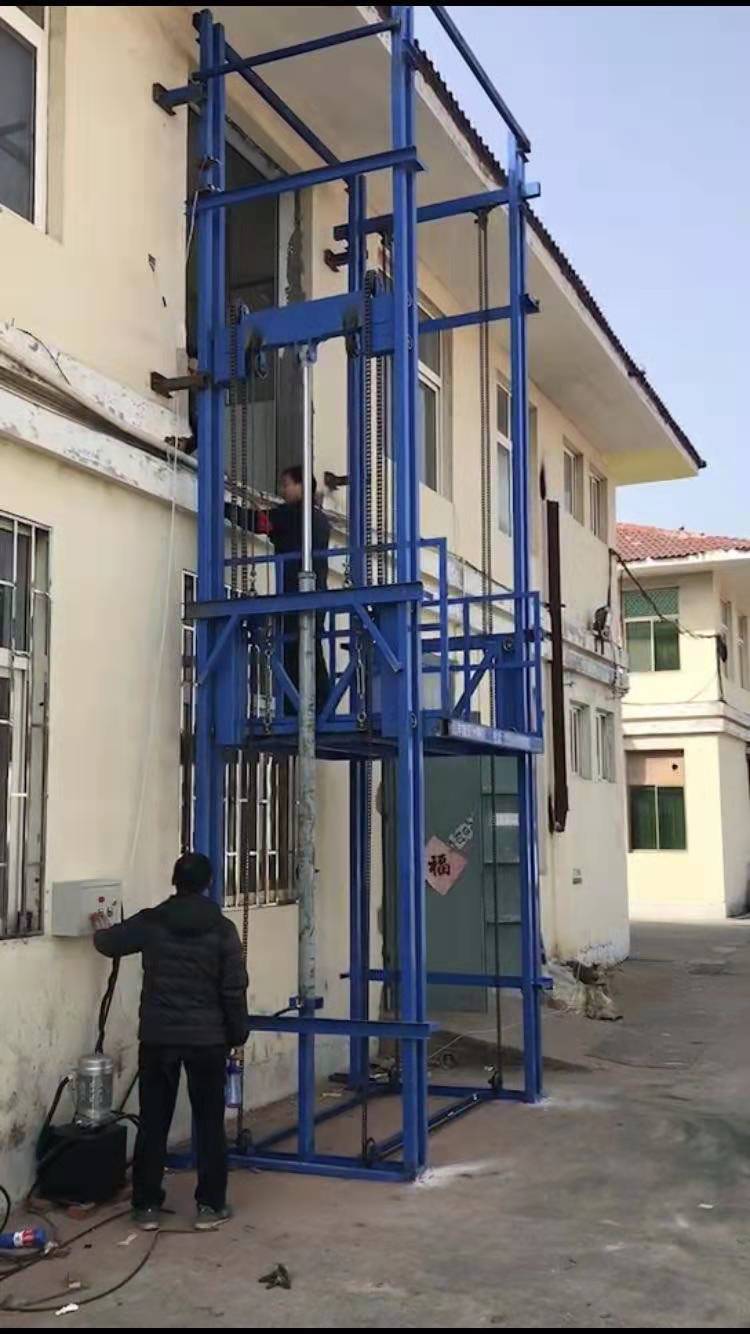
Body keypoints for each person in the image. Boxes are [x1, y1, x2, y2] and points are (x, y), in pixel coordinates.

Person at [92, 853, 249, 1232]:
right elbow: (233, 988)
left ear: (175, 881)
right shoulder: (223, 930)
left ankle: (146, 1206)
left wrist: (99, 928)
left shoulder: (152, 921)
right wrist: (237, 1034)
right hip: (207, 1040)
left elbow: (109, 944)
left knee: (153, 1121)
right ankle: (210, 1206)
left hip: (159, 1038)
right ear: (209, 884)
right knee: (209, 1123)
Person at [256, 465, 331, 712]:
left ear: (301, 486)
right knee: (312, 651)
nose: (282, 490)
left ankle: (294, 710)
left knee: (291, 652)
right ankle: (321, 707)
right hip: (318, 595)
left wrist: (223, 508)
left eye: (286, 484)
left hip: (293, 592)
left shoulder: (292, 515)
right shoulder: (320, 519)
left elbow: (259, 522)